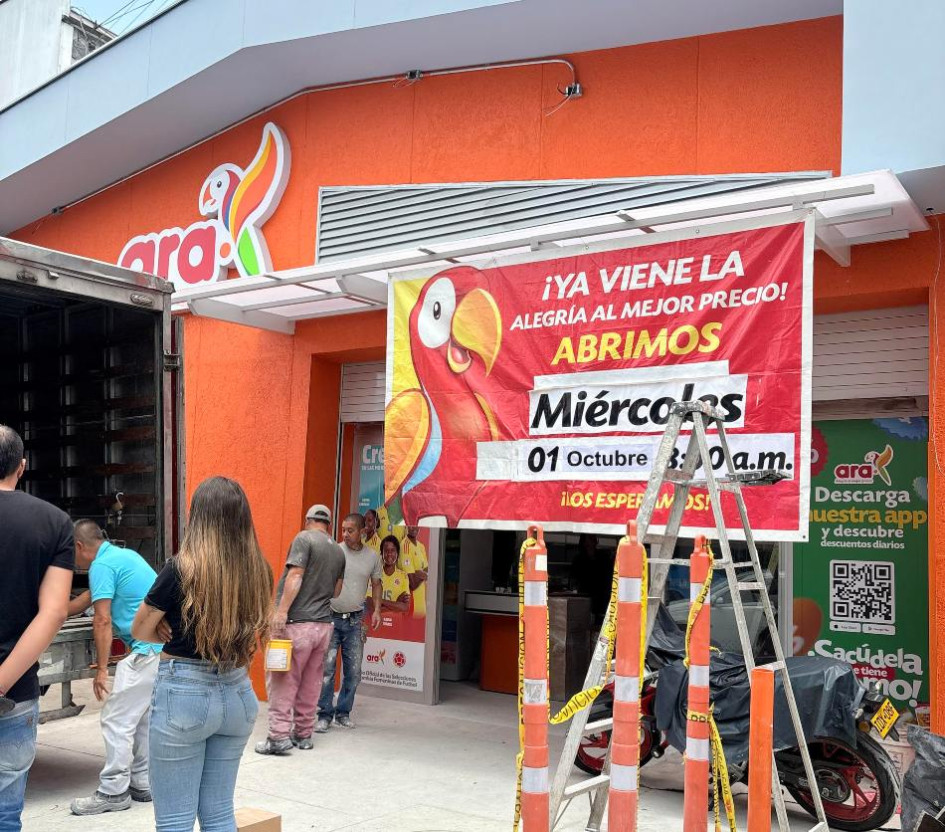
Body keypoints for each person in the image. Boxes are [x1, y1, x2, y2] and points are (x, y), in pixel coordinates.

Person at [131, 476, 273, 832]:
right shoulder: (258, 569)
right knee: (219, 815)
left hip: (184, 695)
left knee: (176, 822)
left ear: (197, 518)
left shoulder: (181, 568)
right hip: (238, 693)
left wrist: (166, 627)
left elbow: (139, 629)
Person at [0, 426, 74, 832]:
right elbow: (55, 612)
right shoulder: (54, 522)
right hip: (15, 696)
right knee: (6, 813)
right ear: (22, 467)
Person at [69, 521, 163, 816]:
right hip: (161, 652)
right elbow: (92, 597)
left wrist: (100, 669)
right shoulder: (123, 557)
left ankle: (113, 792)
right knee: (142, 720)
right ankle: (141, 783)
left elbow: (102, 620)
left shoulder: (102, 566)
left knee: (116, 720)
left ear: (80, 547)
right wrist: (54, 610)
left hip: (144, 652)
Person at [255, 504, 345, 755]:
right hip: (323, 626)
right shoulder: (338, 551)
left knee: (282, 680)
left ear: (308, 520)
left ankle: (278, 737)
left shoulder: (304, 539)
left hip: (297, 625)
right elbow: (337, 591)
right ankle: (304, 734)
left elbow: (295, 576)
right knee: (311, 682)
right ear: (328, 523)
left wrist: (281, 612)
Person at [316, 513, 381, 732]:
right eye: (343, 529)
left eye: (350, 530)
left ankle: (343, 713)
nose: (344, 534)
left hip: (355, 621)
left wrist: (378, 610)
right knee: (327, 670)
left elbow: (377, 584)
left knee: (353, 672)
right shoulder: (335, 551)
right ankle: (323, 715)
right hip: (331, 618)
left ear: (363, 531)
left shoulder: (372, 557)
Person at [365, 536, 410, 614]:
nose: (389, 554)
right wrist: (396, 604)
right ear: (381, 554)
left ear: (398, 553)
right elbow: (371, 608)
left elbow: (405, 607)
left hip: (396, 624)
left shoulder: (403, 576)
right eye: (386, 550)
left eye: (392, 550)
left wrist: (380, 601)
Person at [399, 525, 429, 617]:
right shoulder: (405, 545)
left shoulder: (421, 546)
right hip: (411, 607)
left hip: (422, 607)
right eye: (411, 525)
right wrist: (423, 575)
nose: (414, 528)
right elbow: (412, 583)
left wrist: (420, 574)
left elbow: (427, 571)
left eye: (416, 524)